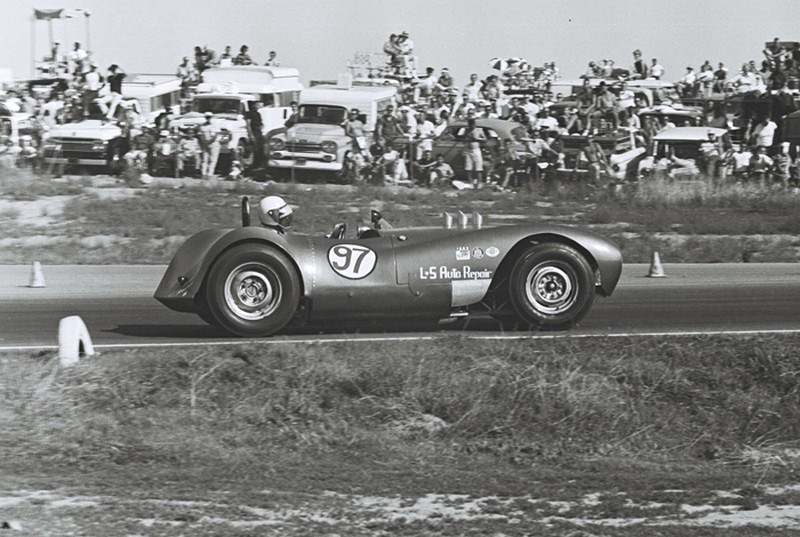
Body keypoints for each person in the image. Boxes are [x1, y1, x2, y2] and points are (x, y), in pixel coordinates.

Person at [462, 118, 486, 188]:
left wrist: (477, 139)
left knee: (478, 167)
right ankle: (471, 182)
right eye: (470, 124)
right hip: (468, 150)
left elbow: (485, 139)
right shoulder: (466, 131)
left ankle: (479, 182)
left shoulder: (479, 130)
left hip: (476, 150)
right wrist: (468, 138)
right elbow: (463, 140)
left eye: (473, 124)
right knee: (468, 168)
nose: (471, 126)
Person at [199, 111, 221, 179]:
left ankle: (210, 174)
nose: (208, 118)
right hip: (205, 143)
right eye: (207, 117)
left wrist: (209, 141)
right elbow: (200, 135)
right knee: (204, 159)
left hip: (214, 143)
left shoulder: (216, 125)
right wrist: (205, 142)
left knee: (213, 159)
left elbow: (216, 135)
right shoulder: (202, 125)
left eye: (209, 117)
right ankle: (203, 173)